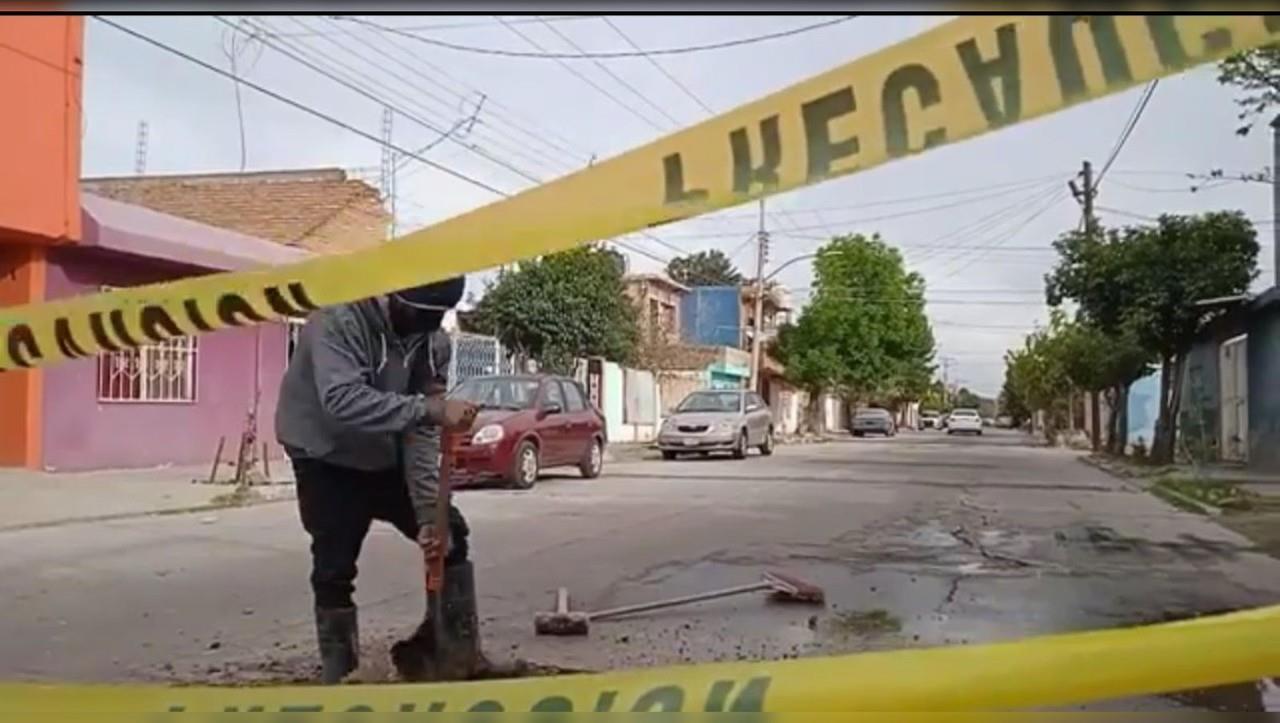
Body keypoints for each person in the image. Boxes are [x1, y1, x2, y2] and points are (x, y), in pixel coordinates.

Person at [275, 276, 478, 684]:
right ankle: (342, 676)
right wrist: (430, 410)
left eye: (437, 318)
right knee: (334, 568)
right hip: (325, 456)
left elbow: (422, 427)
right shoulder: (338, 320)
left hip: (386, 454)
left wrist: (426, 512)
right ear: (391, 295)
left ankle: (453, 655)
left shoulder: (432, 341)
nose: (427, 326)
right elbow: (341, 400)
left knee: (450, 535)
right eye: (419, 315)